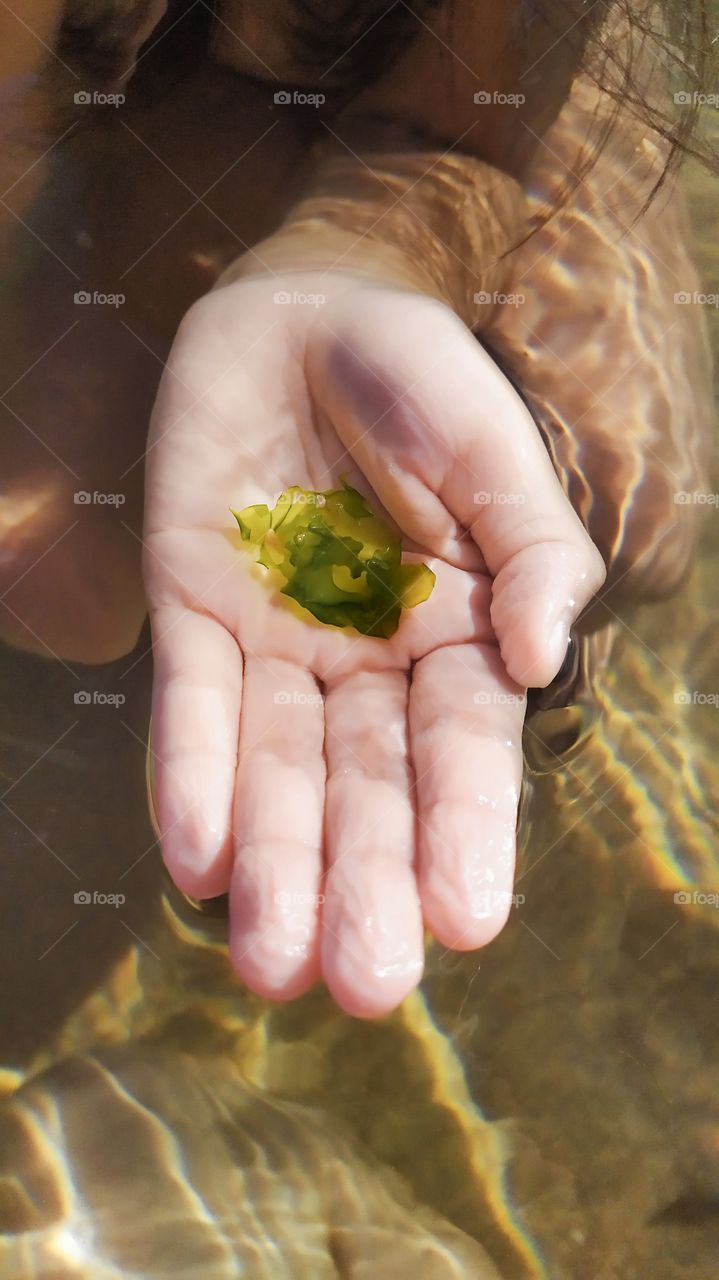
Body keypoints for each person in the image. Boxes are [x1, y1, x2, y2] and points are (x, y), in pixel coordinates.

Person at [0, 0, 714, 1016]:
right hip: (123, 63)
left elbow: (458, 123)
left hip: (476, 63)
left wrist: (355, 255)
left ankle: (606, 107)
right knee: (49, 573)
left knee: (619, 495)